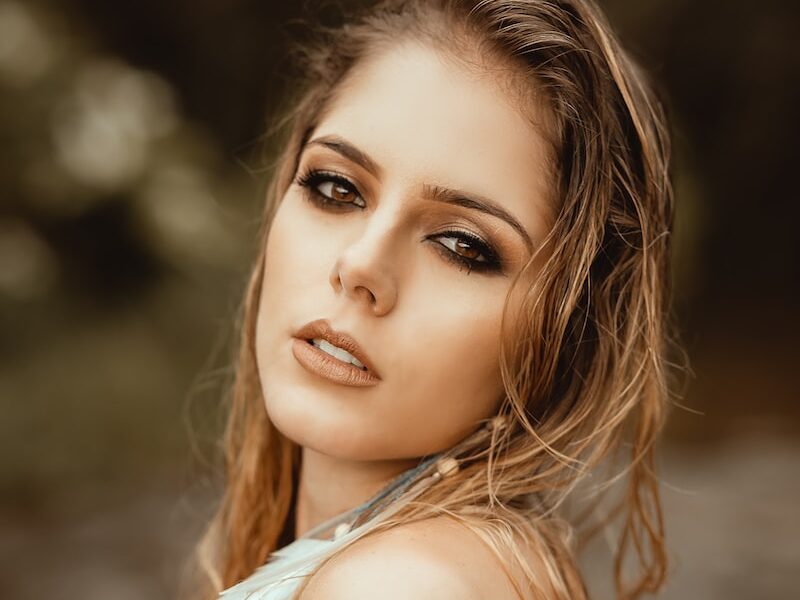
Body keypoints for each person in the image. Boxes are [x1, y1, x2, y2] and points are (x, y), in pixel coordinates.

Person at [188, 0, 677, 598]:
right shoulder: (455, 565)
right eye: (336, 188)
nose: (361, 265)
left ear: (565, 330)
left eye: (461, 246)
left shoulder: (403, 584)